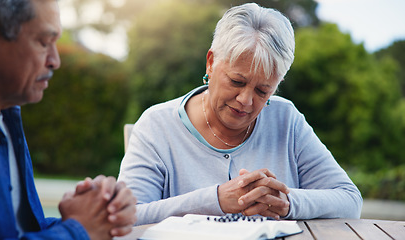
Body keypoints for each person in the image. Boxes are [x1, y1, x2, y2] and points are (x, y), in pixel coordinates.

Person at [118, 3, 363, 226]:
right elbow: (127, 215)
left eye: (262, 90)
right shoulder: (156, 126)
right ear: (211, 63)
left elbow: (350, 201)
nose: (246, 100)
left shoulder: (287, 120)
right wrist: (215, 200)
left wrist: (287, 202)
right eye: (236, 81)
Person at [0, 0, 136, 239]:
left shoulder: (5, 115)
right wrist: (79, 230)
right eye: (43, 42)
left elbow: (12, 232)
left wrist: (97, 213)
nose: (55, 61)